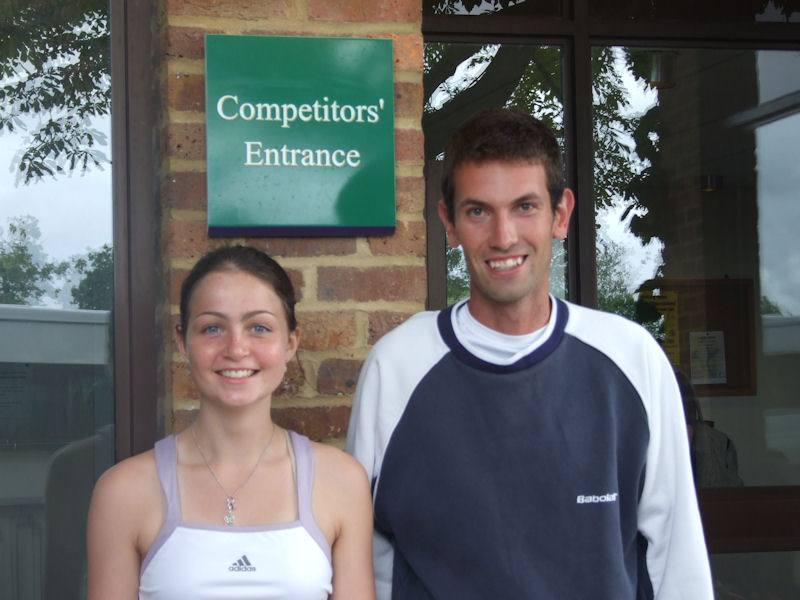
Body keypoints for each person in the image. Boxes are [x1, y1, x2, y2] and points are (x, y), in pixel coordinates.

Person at [346, 108, 713, 599]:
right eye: (478, 210)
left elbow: (677, 557)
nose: (504, 237)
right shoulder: (397, 366)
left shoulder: (631, 357)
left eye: (525, 207)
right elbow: (365, 557)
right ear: (448, 223)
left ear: (560, 214)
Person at [87, 245, 375, 600]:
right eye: (212, 328)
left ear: (290, 342)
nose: (236, 348)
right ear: (182, 343)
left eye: (259, 327)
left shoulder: (342, 481)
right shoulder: (123, 492)